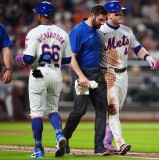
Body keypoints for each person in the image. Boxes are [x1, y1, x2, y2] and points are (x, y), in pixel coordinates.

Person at [98, 1, 157, 155]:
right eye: (117, 13)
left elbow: (137, 47)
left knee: (117, 110)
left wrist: (148, 57)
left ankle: (106, 141)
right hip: (108, 73)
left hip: (123, 74)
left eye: (121, 12)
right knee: (113, 110)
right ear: (108, 15)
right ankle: (120, 143)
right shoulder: (100, 31)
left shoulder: (126, 30)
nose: (121, 15)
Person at [20, 1, 71, 158]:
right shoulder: (63, 33)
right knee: (52, 110)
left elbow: (28, 59)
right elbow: (68, 60)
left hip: (38, 72)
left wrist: (20, 58)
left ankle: (38, 150)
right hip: (56, 73)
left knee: (36, 113)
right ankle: (59, 134)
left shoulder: (34, 32)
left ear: (40, 15)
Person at [63, 5, 110, 156]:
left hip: (97, 74)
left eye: (104, 20)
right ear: (92, 15)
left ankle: (99, 147)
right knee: (80, 110)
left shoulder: (96, 31)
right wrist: (81, 76)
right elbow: (71, 57)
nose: (102, 23)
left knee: (102, 110)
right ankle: (64, 138)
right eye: (100, 20)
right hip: (82, 74)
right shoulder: (78, 31)